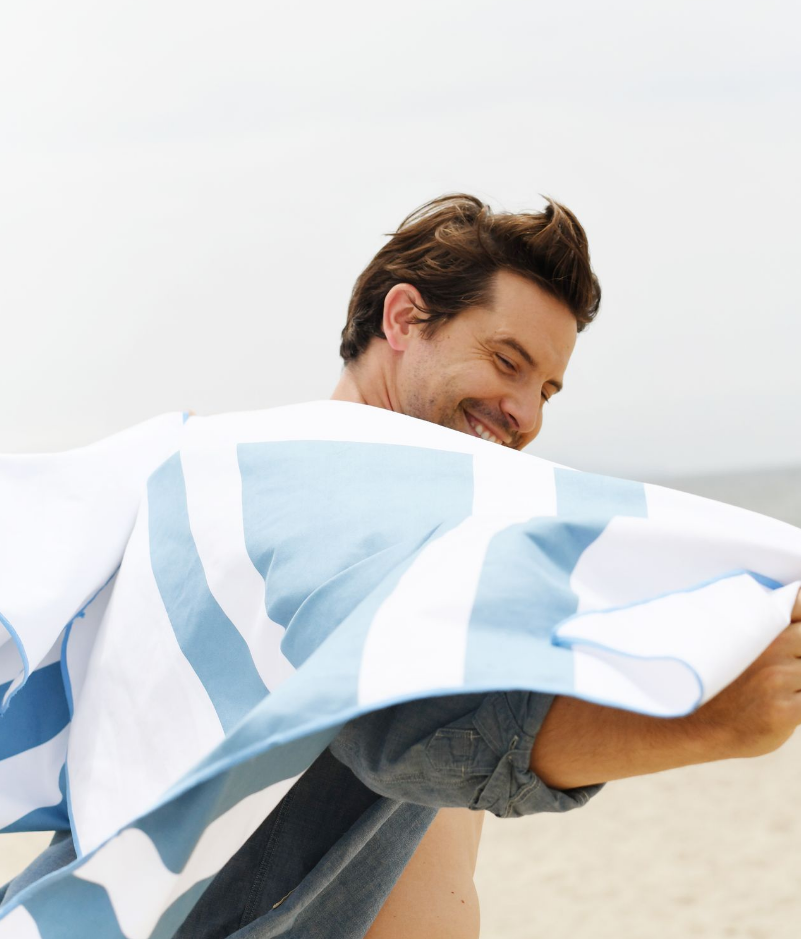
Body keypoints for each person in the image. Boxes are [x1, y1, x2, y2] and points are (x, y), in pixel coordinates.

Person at [4, 194, 801, 939]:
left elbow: (427, 870)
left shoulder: (389, 540)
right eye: (505, 359)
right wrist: (712, 720)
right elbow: (413, 733)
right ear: (404, 317)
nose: (524, 412)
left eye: (547, 387)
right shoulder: (313, 487)